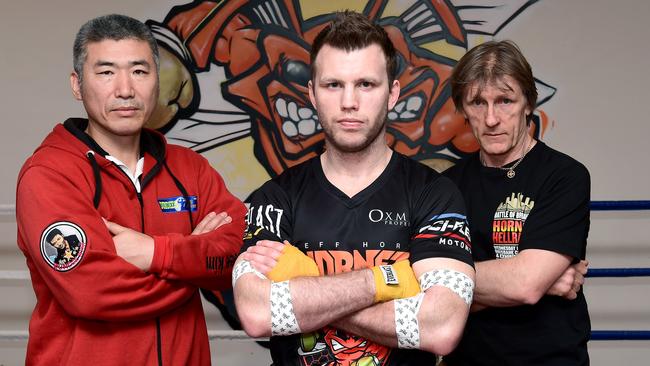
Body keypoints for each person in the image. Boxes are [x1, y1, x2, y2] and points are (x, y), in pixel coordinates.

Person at [233, 11, 475, 366]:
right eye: (334, 85)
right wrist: (386, 280)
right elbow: (257, 313)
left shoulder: (435, 194)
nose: (349, 102)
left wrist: (305, 281)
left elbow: (441, 327)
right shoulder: (275, 198)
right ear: (312, 94)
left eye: (366, 84)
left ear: (392, 93)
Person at [16, 14, 246, 365]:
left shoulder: (190, 168)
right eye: (106, 72)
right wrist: (191, 265)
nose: (125, 89)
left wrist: (157, 253)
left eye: (139, 71)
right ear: (77, 85)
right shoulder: (49, 175)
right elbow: (92, 293)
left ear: (157, 80)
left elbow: (240, 254)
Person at [443, 40, 591, 365]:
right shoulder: (446, 186)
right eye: (478, 103)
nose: (492, 118)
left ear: (528, 103)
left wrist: (451, 281)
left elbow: (524, 284)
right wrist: (540, 281)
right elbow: (428, 293)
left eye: (505, 100)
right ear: (463, 109)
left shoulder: (564, 176)